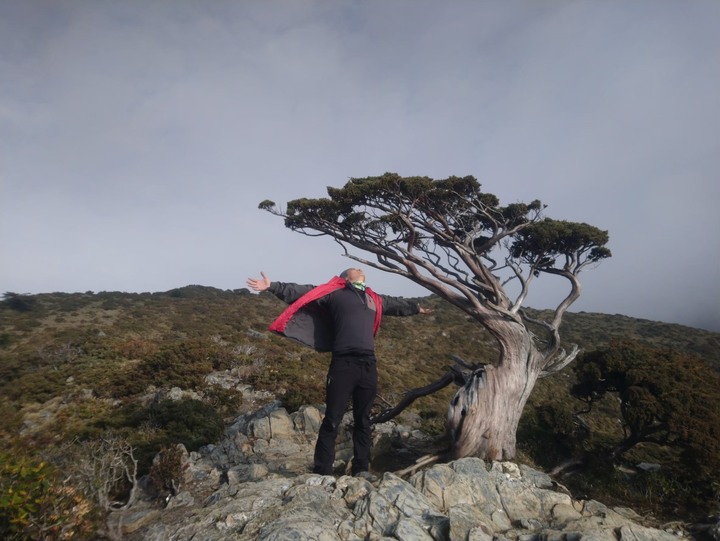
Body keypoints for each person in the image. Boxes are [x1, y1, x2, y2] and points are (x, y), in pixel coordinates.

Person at [246, 268, 431, 477]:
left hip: (368, 364)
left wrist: (417, 307)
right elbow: (302, 292)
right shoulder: (334, 293)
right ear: (344, 278)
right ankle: (322, 470)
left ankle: (361, 468)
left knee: (364, 419)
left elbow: (396, 304)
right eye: (354, 268)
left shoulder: (374, 299)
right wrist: (272, 287)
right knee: (333, 418)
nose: (359, 269)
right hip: (343, 363)